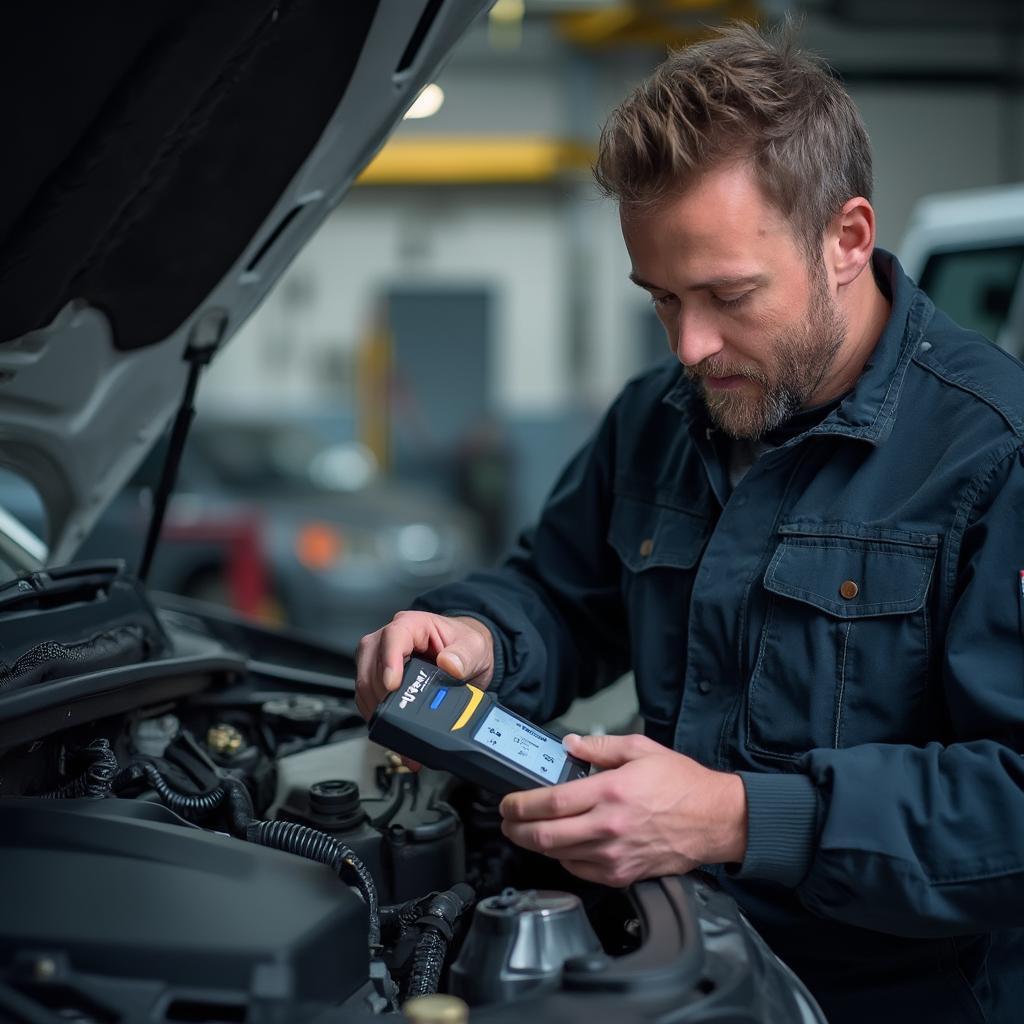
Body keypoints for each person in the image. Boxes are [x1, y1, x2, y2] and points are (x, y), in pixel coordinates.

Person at [356, 22, 1024, 1024]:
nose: (692, 344)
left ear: (846, 239)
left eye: (727, 295)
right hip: (673, 965)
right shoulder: (660, 416)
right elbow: (560, 594)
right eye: (662, 298)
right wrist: (478, 633)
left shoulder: (993, 451)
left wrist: (740, 817)